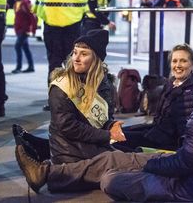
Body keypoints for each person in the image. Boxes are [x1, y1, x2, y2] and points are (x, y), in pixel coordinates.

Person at [15, 53, 193, 202]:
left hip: (186, 184)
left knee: (111, 171)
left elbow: (182, 158)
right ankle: (47, 167)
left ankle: (48, 171)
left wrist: (149, 164)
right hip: (184, 166)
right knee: (113, 154)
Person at [17, 29, 125, 165]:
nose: (76, 59)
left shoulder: (105, 84)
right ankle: (49, 172)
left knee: (131, 154)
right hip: (70, 151)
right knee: (125, 164)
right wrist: (107, 135)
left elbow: (102, 119)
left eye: (83, 54)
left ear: (96, 59)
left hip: (90, 145)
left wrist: (111, 125)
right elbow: (68, 127)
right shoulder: (62, 85)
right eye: (74, 53)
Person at [25, 0, 103, 110]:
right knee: (75, 61)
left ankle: (54, 101)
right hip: (74, 22)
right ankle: (74, 100)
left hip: (51, 21)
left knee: (53, 62)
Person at [114, 43, 193, 152]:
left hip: (167, 143)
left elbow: (182, 133)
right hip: (157, 131)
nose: (178, 65)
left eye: (183, 61)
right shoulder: (172, 83)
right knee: (114, 133)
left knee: (115, 140)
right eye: (175, 61)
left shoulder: (192, 91)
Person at [11, 0, 35, 74]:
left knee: (17, 46)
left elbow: (32, 17)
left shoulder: (25, 4)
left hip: (24, 30)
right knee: (25, 48)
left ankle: (18, 67)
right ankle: (31, 66)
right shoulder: (16, 4)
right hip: (18, 30)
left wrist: (32, 29)